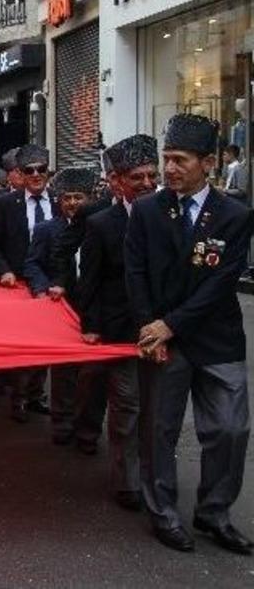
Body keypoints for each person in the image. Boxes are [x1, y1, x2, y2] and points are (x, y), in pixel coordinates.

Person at [126, 114, 254, 554]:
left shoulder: (235, 216)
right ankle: (162, 512)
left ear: (208, 163)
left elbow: (221, 284)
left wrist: (171, 324)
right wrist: (149, 329)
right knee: (158, 430)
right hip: (161, 342)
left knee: (231, 430)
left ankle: (214, 512)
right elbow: (136, 273)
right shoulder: (147, 211)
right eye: (167, 159)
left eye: (180, 159)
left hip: (216, 339)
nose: (170, 168)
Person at [74, 134, 160, 511]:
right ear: (118, 181)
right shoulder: (101, 224)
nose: (146, 184)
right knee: (127, 407)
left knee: (157, 410)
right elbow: (88, 281)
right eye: (137, 177)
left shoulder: (170, 216)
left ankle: (156, 475)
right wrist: (90, 324)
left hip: (164, 332)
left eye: (150, 176)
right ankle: (128, 483)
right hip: (119, 331)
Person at [0, 143, 57, 422]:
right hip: (18, 284)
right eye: (30, 170)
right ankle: (19, 397)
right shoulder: (6, 203)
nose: (36, 175)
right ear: (21, 174)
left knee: (48, 344)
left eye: (42, 170)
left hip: (51, 285)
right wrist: (3, 271)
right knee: (24, 345)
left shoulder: (61, 201)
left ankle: (37, 394)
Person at [22, 165, 96, 437]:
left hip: (93, 309)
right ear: (59, 201)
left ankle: (87, 429)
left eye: (78, 197)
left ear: (89, 198)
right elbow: (32, 265)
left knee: (91, 375)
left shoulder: (102, 226)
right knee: (64, 371)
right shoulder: (45, 230)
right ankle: (62, 423)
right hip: (61, 309)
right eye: (67, 198)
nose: (73, 203)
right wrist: (45, 288)